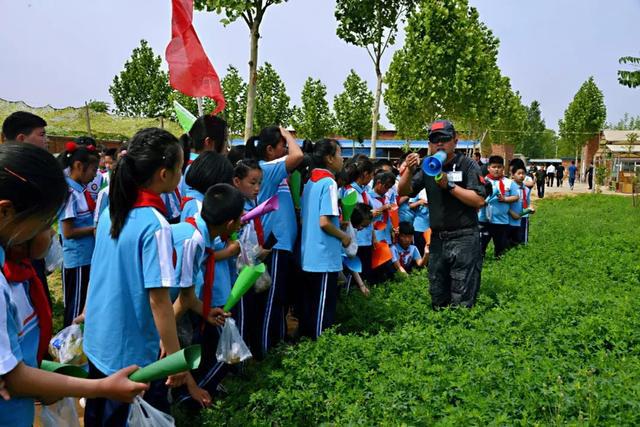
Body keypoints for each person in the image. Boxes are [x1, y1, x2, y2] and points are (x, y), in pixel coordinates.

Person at [0, 143, 148, 427]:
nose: (52, 233)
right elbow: (14, 379)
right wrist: (104, 387)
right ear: (6, 213)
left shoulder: (17, 270)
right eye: (45, 223)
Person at [81, 128, 187, 426]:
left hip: (100, 339)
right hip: (130, 353)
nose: (181, 174)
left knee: (98, 415)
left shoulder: (113, 210)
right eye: (180, 168)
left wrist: (86, 312)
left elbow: (98, 269)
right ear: (164, 174)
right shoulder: (156, 225)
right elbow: (159, 299)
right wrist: (173, 358)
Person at [398, 120, 486, 309]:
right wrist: (408, 170)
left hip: (464, 237)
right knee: (437, 294)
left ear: (455, 140)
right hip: (438, 238)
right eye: (434, 139)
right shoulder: (427, 166)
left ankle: (461, 331)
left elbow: (479, 200)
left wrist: (450, 186)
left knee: (462, 295)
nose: (439, 144)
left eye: (444, 139)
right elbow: (404, 191)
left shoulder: (468, 165)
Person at [171, 184, 243, 410]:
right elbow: (181, 300)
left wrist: (206, 311)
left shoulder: (195, 232)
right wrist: (159, 337)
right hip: (160, 317)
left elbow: (188, 295)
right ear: (230, 224)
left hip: (167, 311)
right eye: (240, 220)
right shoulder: (194, 241)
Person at [245, 126, 304, 356]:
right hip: (274, 245)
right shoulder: (267, 168)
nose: (287, 148)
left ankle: (275, 341)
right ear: (270, 150)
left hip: (281, 245)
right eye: (282, 145)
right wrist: (287, 133)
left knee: (278, 298)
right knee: (272, 299)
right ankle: (265, 349)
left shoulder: (273, 171)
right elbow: (297, 156)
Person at [1, 112, 53, 309]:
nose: (46, 140)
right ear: (22, 139)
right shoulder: (11, 176)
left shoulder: (30, 173)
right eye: (41, 135)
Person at [300, 139, 349, 339]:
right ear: (329, 159)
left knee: (311, 307)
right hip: (323, 257)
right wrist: (344, 236)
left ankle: (308, 344)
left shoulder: (311, 181)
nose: (342, 158)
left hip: (309, 255)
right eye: (339, 153)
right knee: (323, 309)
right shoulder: (329, 183)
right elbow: (324, 222)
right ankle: (321, 348)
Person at [58, 143, 99, 327]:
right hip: (78, 259)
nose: (95, 175)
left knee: (84, 303)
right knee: (76, 307)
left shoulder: (81, 189)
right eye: (93, 170)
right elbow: (68, 231)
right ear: (79, 166)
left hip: (86, 256)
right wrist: (93, 229)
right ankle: (67, 345)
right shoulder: (70, 193)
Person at [343, 156, 376, 284]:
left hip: (366, 239)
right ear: (365, 174)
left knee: (365, 274)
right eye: (371, 175)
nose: (372, 178)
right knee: (353, 276)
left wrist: (373, 237)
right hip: (354, 239)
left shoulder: (365, 193)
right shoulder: (350, 192)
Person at [480, 156, 519, 258]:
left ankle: (499, 263)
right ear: (488, 168)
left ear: (503, 168)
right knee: (480, 246)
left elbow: (516, 196)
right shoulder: (482, 181)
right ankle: (480, 263)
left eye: (499, 167)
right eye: (494, 167)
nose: (496, 169)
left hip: (501, 221)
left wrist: (505, 199)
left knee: (501, 248)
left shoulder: (509, 182)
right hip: (483, 220)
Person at [508, 163, 535, 246]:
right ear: (512, 175)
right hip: (510, 218)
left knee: (522, 241)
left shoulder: (526, 189)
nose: (521, 176)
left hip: (523, 217)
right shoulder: (509, 188)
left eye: (523, 173)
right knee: (509, 241)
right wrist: (512, 213)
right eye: (519, 173)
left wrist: (531, 208)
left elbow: (527, 202)